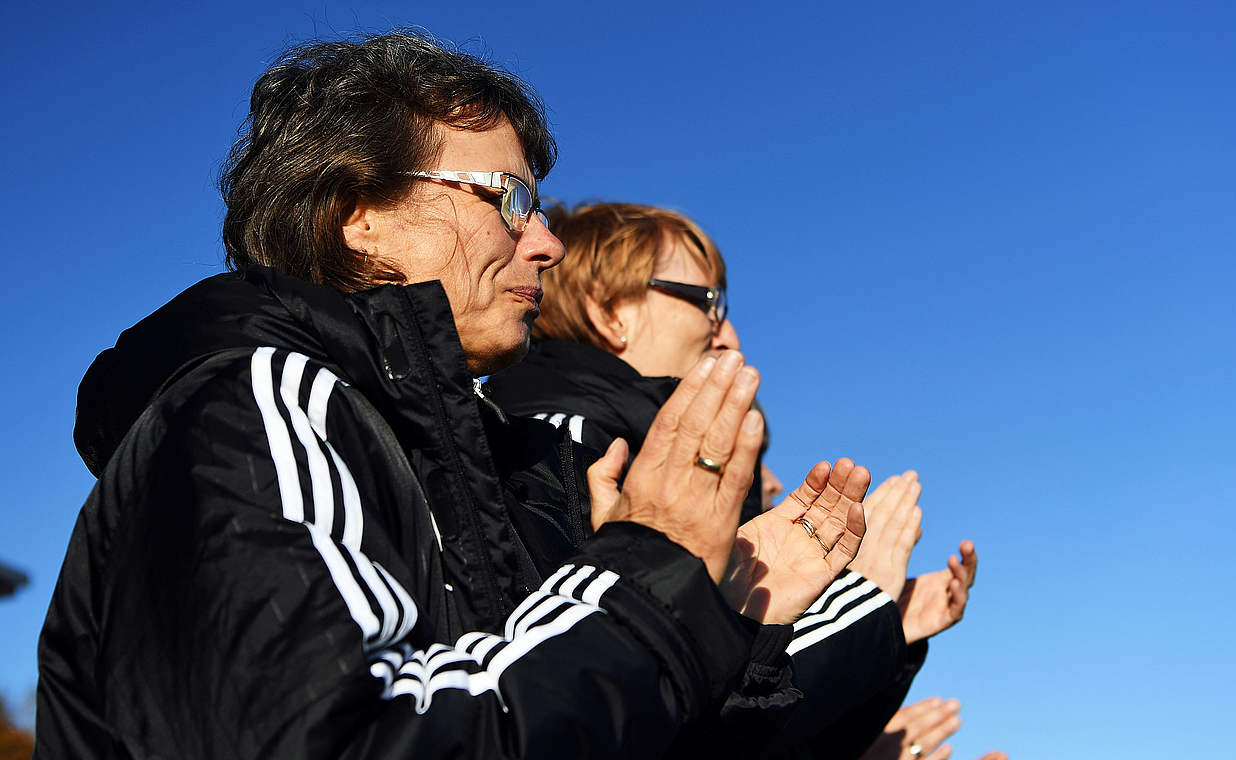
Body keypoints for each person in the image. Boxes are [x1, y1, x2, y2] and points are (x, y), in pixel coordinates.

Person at [35, 33, 869, 759]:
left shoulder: (487, 457)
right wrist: (643, 581)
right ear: (358, 210)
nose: (545, 243)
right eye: (509, 199)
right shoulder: (253, 408)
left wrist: (724, 616)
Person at [488, 202, 952, 757]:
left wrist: (884, 634)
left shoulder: (623, 455)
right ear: (612, 313)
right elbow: (612, 716)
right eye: (707, 301)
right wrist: (859, 605)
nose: (727, 332)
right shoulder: (555, 453)